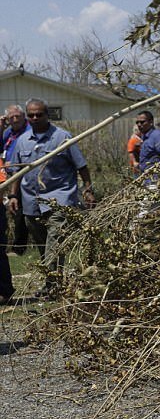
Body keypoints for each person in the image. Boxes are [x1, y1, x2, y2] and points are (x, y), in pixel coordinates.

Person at [6, 98, 94, 296]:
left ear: (47, 114)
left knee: (54, 243)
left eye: (39, 114)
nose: (35, 118)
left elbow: (82, 166)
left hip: (59, 199)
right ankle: (54, 281)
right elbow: (16, 173)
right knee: (42, 245)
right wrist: (13, 196)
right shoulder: (22, 141)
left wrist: (88, 189)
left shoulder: (63, 138)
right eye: (31, 115)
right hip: (31, 202)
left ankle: (53, 287)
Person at [2, 105, 31, 254]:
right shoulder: (8, 133)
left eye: (17, 116)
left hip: (24, 175)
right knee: (13, 210)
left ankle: (20, 247)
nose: (15, 119)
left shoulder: (28, 132)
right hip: (8, 177)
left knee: (20, 211)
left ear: (23, 116)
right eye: (11, 117)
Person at [136, 111, 160, 175]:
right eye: (137, 122)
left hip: (154, 179)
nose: (139, 125)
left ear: (151, 122)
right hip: (145, 178)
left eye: (142, 122)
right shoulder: (144, 136)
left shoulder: (156, 136)